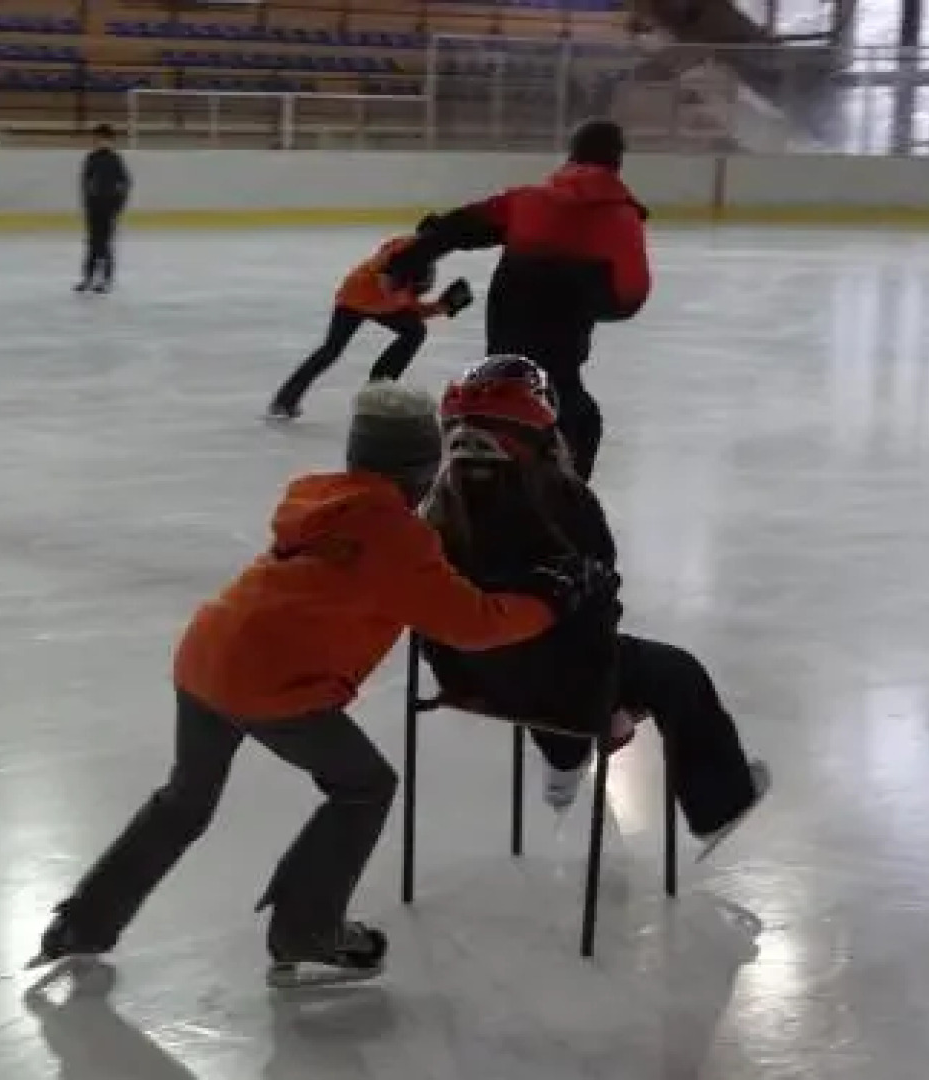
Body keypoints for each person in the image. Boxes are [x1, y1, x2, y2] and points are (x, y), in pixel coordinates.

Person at [33, 382, 614, 988]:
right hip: (274, 686)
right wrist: (551, 599)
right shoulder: (394, 535)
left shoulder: (325, 501)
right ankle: (307, 930)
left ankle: (84, 921)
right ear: (422, 466)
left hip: (206, 657)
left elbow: (386, 572)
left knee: (184, 801)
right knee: (365, 786)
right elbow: (474, 624)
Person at [418, 358, 770, 858]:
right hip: (559, 687)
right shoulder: (567, 505)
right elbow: (598, 607)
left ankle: (565, 758)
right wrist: (607, 701)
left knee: (532, 655)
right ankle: (719, 805)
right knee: (676, 673)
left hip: (467, 677)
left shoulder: (432, 512)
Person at [383, 119, 652, 481]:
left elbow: (461, 225)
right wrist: (584, 293)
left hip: (508, 320)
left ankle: (476, 476)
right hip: (562, 337)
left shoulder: (529, 200)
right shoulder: (621, 219)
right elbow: (629, 296)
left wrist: (407, 260)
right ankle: (564, 494)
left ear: (571, 155)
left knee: (501, 393)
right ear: (617, 161)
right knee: (575, 414)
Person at [266, 216, 473, 420]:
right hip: (354, 299)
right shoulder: (401, 248)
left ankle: (377, 390)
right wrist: (401, 288)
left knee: (414, 332)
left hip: (376, 304)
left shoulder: (425, 268)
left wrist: (441, 307)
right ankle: (286, 400)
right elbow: (384, 277)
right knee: (332, 349)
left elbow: (406, 303)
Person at [76, 124, 131, 293]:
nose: (99, 142)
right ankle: (88, 278)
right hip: (94, 208)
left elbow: (125, 183)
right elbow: (85, 182)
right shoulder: (91, 158)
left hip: (109, 208)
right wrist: (87, 202)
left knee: (105, 244)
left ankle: (106, 280)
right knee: (92, 243)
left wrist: (118, 204)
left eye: (103, 139)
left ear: (111, 141)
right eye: (97, 139)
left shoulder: (115, 159)